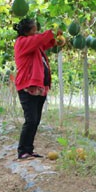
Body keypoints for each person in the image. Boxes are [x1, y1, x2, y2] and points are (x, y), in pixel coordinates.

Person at [13, 18, 59, 160]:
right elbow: (41, 39)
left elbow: (45, 43)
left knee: (36, 120)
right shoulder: (22, 42)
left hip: (39, 88)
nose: (37, 31)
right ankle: (22, 151)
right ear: (28, 31)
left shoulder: (34, 46)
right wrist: (53, 32)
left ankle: (29, 149)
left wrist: (56, 37)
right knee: (31, 120)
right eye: (35, 29)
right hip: (28, 87)